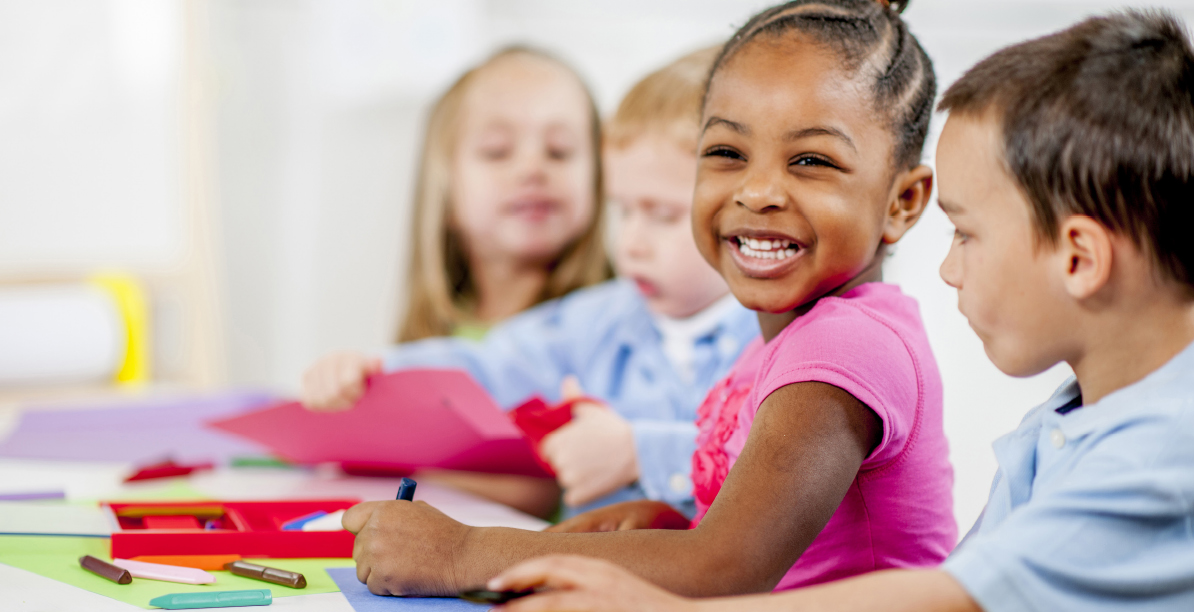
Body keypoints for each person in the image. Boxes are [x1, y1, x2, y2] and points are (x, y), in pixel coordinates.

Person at [486, 9, 1194, 612]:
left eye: (967, 235)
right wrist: (671, 535)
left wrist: (653, 603)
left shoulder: (1165, 451)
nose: (948, 270)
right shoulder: (1068, 426)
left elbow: (951, 598)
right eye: (727, 151)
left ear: (1079, 258)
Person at [341, 0, 954, 597]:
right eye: (726, 153)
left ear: (903, 201)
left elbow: (725, 567)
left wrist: (462, 553)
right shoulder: (782, 338)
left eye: (812, 160)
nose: (758, 190)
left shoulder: (843, 348)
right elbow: (742, 545)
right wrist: (665, 523)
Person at [301, 46, 757, 519]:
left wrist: (639, 453)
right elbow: (489, 366)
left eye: (661, 215)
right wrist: (374, 370)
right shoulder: (598, 318)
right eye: (622, 211)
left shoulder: (776, 335)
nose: (631, 243)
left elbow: (781, 461)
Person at [395, 46, 610, 343]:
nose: (532, 169)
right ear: (445, 191)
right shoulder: (427, 349)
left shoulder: (621, 332)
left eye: (559, 151)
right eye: (497, 151)